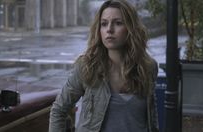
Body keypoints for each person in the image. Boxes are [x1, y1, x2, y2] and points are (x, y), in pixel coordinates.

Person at [49, 0, 159, 132]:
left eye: (118, 23)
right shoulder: (87, 66)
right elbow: (59, 110)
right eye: (104, 24)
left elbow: (151, 117)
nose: (109, 30)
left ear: (131, 28)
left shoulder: (148, 67)